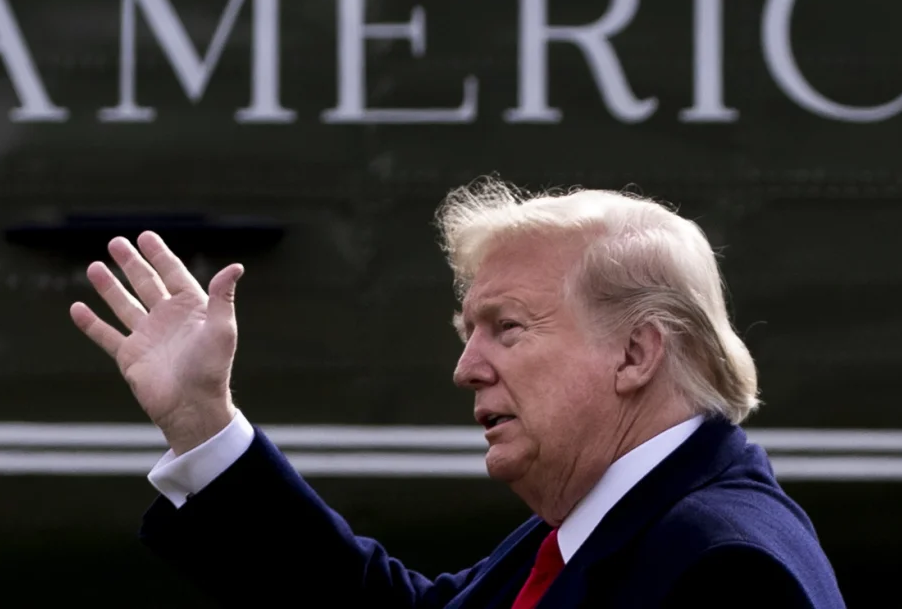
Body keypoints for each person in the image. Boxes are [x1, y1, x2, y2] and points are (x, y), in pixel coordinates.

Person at [69, 177, 846, 608]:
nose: (466, 367)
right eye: (466, 331)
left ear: (635, 353)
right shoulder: (604, 529)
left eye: (506, 328)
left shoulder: (724, 570)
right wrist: (203, 423)